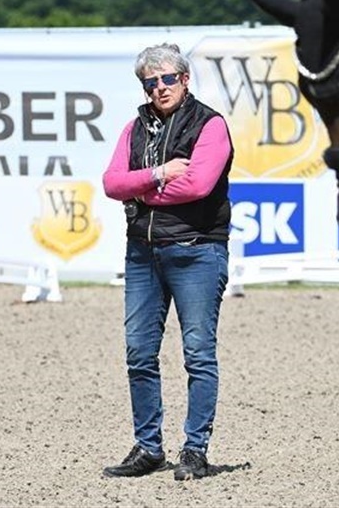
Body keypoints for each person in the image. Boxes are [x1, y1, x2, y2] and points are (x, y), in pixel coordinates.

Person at [100, 43, 233, 480]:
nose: (159, 87)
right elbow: (111, 183)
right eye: (151, 82)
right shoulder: (134, 128)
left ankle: (195, 450)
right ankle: (148, 447)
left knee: (198, 354)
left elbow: (197, 185)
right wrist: (157, 175)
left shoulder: (210, 124)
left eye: (167, 79)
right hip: (143, 252)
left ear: (184, 79)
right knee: (139, 353)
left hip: (196, 251)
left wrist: (138, 191)